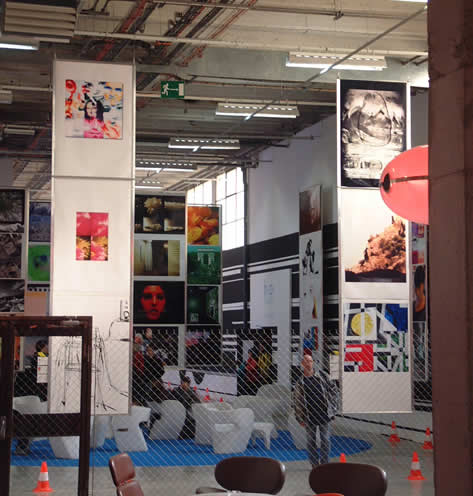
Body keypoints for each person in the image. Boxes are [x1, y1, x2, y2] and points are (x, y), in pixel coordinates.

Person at [293, 354, 338, 468]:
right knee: (310, 441)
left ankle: (324, 463)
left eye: (310, 361)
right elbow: (297, 402)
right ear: (302, 364)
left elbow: (333, 390)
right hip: (309, 416)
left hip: (324, 414)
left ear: (313, 363)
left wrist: (333, 408)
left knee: (325, 440)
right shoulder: (300, 383)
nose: (308, 363)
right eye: (306, 361)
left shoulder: (322, 376)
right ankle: (314, 464)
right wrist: (300, 418)